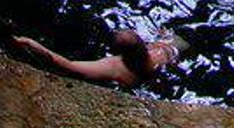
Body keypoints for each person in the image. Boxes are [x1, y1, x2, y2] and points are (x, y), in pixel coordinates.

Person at [12, 28, 177, 86]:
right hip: (155, 80)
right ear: (143, 44)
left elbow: (68, 64)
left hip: (133, 84)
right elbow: (178, 44)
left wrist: (33, 44)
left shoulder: (114, 67)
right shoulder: (160, 52)